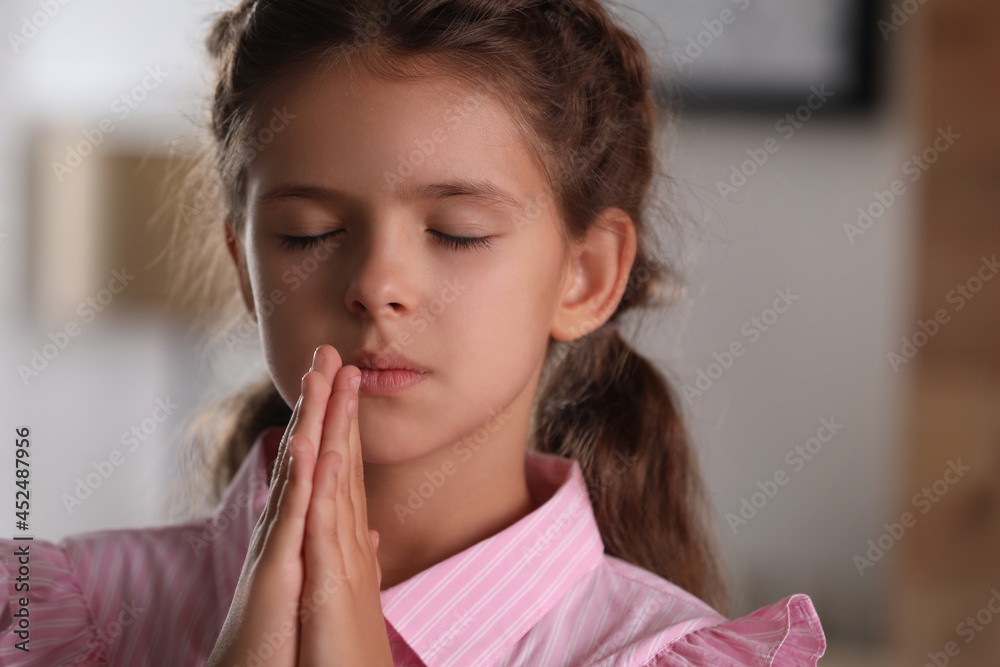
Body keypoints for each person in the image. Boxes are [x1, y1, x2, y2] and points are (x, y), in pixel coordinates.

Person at [0, 0, 827, 664]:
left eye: (457, 230)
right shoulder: (64, 614)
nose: (375, 286)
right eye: (309, 232)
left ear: (586, 276)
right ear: (246, 267)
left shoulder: (654, 654)